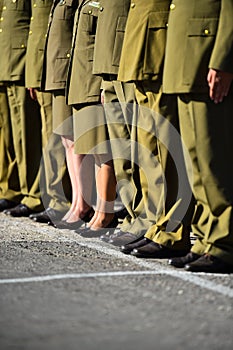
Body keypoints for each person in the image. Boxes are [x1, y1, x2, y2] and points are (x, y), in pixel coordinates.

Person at [116, 0, 194, 258]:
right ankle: (157, 225)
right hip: (142, 42)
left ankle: (171, 231)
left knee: (167, 149)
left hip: (159, 40)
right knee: (149, 148)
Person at [163, 0, 233, 273]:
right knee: (197, 162)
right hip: (187, 58)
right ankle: (206, 239)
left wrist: (224, 59)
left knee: (214, 160)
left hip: (207, 56)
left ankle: (225, 243)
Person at [91, 0, 144, 246]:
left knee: (138, 146)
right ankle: (134, 216)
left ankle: (145, 218)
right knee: (122, 150)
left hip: (128, 52)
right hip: (109, 61)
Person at [64, 0, 118, 236]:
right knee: (95, 150)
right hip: (83, 80)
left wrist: (102, 85)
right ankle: (98, 211)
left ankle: (105, 213)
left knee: (103, 151)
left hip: (94, 81)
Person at [25, 0, 71, 224]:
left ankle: (60, 199)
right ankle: (54, 198)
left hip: (59, 68)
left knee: (58, 138)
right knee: (50, 137)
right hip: (47, 67)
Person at [41, 0, 85, 228]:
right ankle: (77, 201)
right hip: (61, 70)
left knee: (78, 140)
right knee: (67, 139)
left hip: (73, 70)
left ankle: (82, 204)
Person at [0, 0, 43, 217]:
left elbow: (36, 21)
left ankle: (33, 193)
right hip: (5, 59)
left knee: (26, 134)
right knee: (9, 134)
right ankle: (11, 187)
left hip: (21, 60)